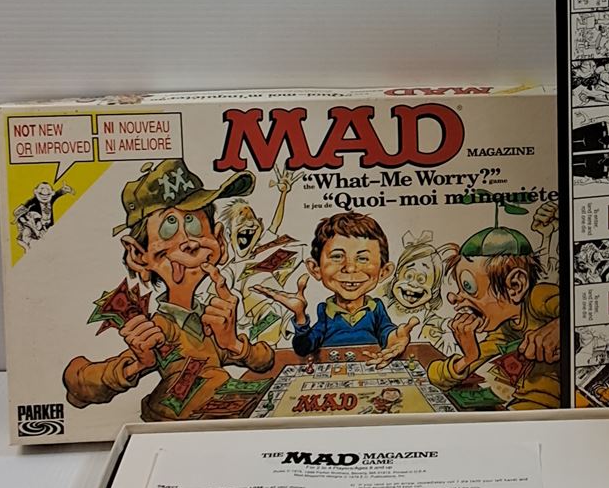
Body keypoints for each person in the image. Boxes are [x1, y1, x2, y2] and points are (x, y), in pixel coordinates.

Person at [63, 159, 277, 421]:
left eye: (194, 223)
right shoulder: (161, 330)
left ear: (219, 240)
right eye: (169, 226)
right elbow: (79, 385)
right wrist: (135, 365)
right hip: (171, 427)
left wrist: (233, 343)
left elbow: (264, 360)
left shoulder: (209, 322)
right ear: (138, 255)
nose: (188, 242)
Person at [427, 224, 563, 409]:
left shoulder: (539, 298)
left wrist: (557, 329)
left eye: (469, 287)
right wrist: (469, 357)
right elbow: (436, 376)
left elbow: (577, 311)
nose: (455, 298)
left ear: (515, 286)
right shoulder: (504, 329)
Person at [268, 212, 413, 361]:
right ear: (315, 269)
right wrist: (300, 315)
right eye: (337, 256)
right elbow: (304, 348)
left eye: (363, 258)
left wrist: (395, 338)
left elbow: (386, 331)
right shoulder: (325, 313)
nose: (350, 268)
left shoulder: (376, 309)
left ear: (384, 271)